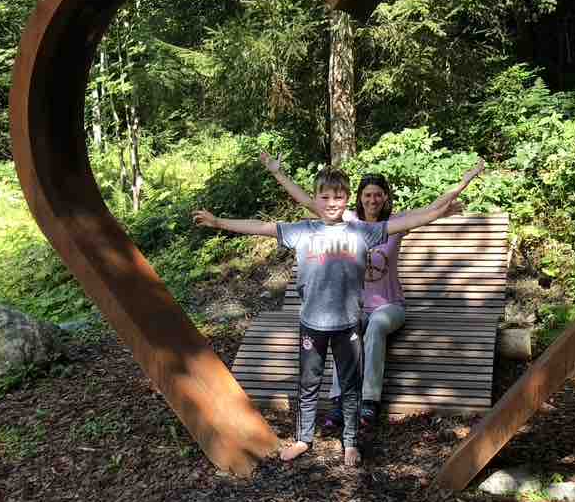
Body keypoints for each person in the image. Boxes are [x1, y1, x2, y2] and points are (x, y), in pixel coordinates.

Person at [192, 165, 465, 467]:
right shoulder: (302, 231)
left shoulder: (364, 231)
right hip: (311, 325)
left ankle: (350, 442)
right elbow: (261, 226)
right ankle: (302, 439)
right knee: (308, 385)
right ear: (316, 199)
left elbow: (416, 218)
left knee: (350, 387)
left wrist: (452, 198)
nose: (332, 202)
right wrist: (218, 222)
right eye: (325, 197)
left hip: (348, 324)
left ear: (348, 199)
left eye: (338, 197)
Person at [259, 152, 485, 430]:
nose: (372, 200)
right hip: (355, 307)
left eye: (378, 195)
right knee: (346, 329)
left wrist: (463, 182)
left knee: (375, 325)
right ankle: (340, 402)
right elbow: (306, 199)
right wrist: (278, 173)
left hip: (390, 307)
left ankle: (369, 402)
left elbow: (432, 208)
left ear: (386, 198)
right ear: (359, 198)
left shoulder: (395, 225)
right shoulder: (349, 221)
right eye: (367, 195)